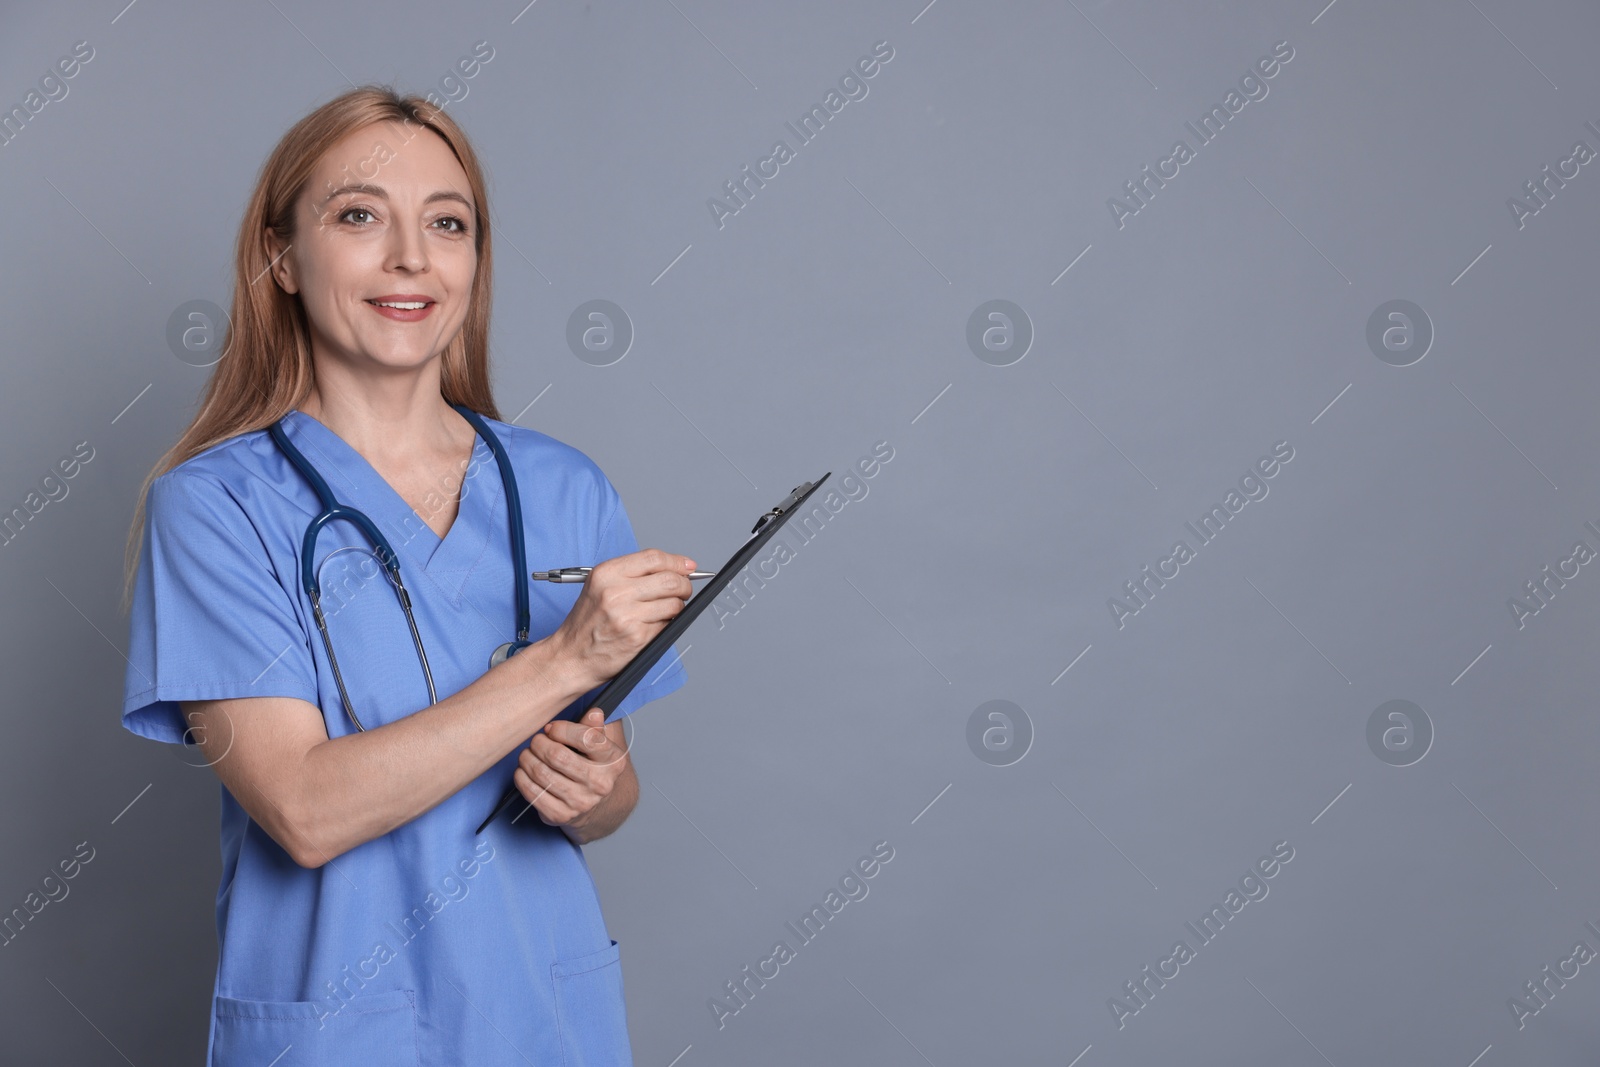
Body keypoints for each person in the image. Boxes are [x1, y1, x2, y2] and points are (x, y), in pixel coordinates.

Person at [120, 85, 695, 1065]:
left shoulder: (563, 486)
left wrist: (596, 785)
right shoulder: (213, 507)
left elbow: (609, 791)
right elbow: (304, 809)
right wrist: (559, 662)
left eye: (448, 223)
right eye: (358, 216)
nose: (412, 259)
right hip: (340, 1029)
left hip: (541, 1018)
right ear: (280, 257)